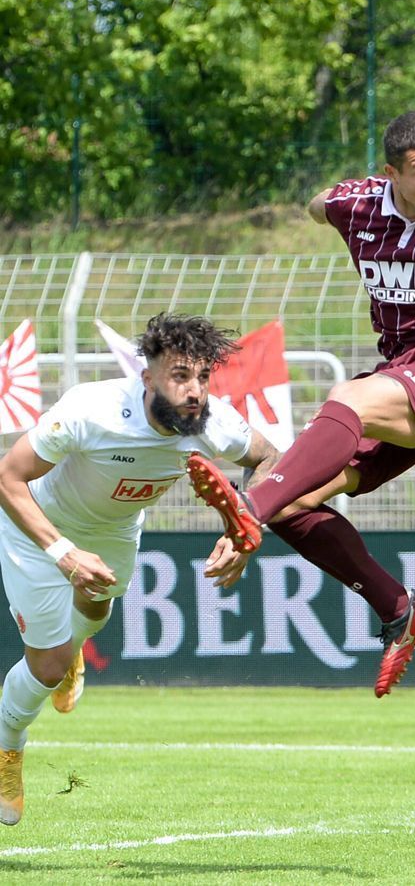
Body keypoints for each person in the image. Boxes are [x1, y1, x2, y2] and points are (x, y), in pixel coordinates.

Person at [187, 110, 415, 698]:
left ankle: (247, 512)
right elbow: (318, 204)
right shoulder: (360, 206)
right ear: (391, 173)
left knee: (344, 402)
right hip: (399, 375)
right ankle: (398, 605)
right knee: (294, 497)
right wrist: (337, 199)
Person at [0, 313, 280, 825]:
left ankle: (74, 650)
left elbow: (271, 461)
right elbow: (8, 478)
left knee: (97, 608)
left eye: (201, 377)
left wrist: (245, 528)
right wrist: (63, 551)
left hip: (114, 531)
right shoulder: (93, 410)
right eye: (179, 376)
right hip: (37, 528)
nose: (194, 391)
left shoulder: (212, 422)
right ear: (147, 378)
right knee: (46, 666)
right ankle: (8, 748)